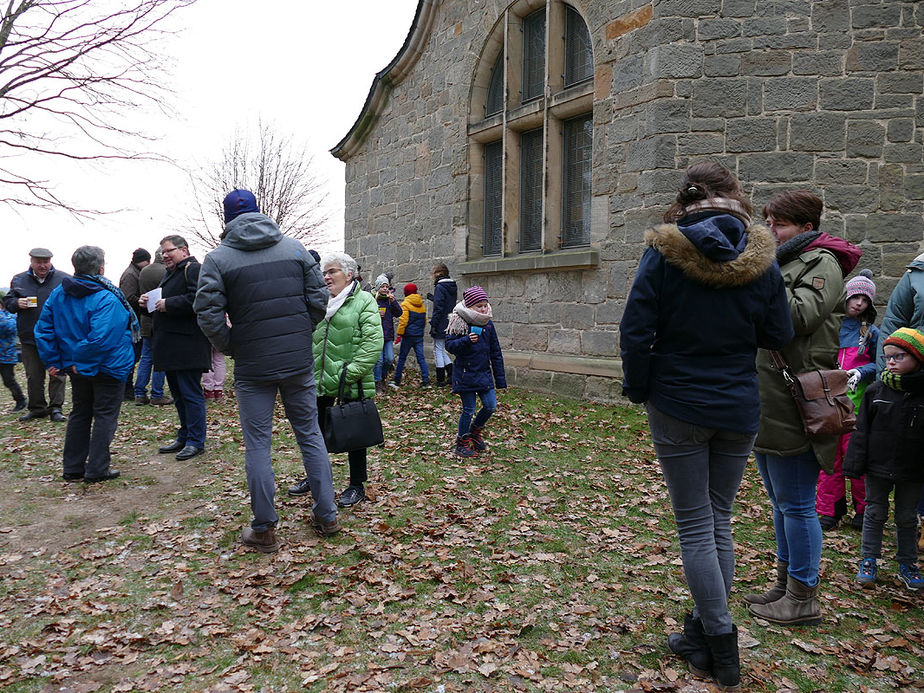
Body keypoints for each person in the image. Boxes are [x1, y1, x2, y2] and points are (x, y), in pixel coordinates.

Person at [620, 162, 792, 690]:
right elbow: (779, 330)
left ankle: (721, 643)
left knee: (698, 524)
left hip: (679, 404)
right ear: (736, 196)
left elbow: (635, 328)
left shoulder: (664, 252)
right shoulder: (761, 259)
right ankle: (701, 632)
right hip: (738, 404)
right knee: (718, 519)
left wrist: (640, 386)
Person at [195, 189, 339, 550]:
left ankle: (265, 529)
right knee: (310, 434)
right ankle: (327, 515)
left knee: (258, 444)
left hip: (253, 365)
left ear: (226, 219)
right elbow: (320, 299)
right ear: (259, 213)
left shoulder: (218, 258)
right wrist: (299, 332)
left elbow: (208, 314)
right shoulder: (294, 248)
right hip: (296, 362)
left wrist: (233, 346)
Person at [747, 190, 860, 627]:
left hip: (798, 399)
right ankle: (784, 585)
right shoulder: (784, 262)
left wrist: (757, 277)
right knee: (779, 502)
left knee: (797, 504)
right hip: (768, 395)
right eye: (768, 222)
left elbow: (799, 317)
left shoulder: (822, 262)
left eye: (779, 224)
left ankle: (803, 597)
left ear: (806, 227)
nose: (770, 231)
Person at [34, 246, 138, 483]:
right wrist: (76, 362)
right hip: (106, 367)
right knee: (103, 416)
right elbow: (100, 339)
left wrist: (59, 362)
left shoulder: (58, 294)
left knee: (81, 413)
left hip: (77, 366)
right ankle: (97, 468)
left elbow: (44, 330)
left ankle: (73, 467)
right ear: (101, 268)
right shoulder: (107, 297)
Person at [289, 251, 383, 509]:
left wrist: (349, 373)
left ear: (349, 274)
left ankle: (356, 485)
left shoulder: (364, 300)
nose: (326, 276)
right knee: (314, 432)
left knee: (354, 435)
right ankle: (315, 476)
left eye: (332, 271)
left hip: (348, 381)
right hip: (317, 380)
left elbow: (373, 342)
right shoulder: (320, 301)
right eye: (324, 272)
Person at [845, 327, 924, 591]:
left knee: (906, 516)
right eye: (888, 356)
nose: (890, 361)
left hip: (913, 469)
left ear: (918, 358)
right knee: (874, 512)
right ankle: (868, 559)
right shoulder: (875, 391)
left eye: (899, 356)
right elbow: (861, 429)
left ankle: (908, 564)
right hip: (878, 466)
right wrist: (855, 463)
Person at [816, 269, 879, 531]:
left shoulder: (871, 333)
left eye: (865, 301)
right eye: (855, 298)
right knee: (830, 459)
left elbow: (880, 363)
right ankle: (829, 510)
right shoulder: (829, 326)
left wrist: (860, 371)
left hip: (857, 405)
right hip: (829, 404)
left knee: (856, 457)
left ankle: (864, 511)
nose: (859, 304)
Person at [140, 235, 210, 461]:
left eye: (169, 250)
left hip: (188, 344)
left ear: (184, 250)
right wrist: (146, 304)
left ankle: (196, 441)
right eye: (163, 252)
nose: (165, 255)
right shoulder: (169, 274)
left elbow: (198, 300)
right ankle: (185, 435)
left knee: (190, 394)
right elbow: (161, 306)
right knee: (178, 395)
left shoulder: (194, 269)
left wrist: (169, 304)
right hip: (170, 344)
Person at [875, 251, 924, 552]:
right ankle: (917, 520)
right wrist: (888, 376)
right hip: (913, 379)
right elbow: (893, 321)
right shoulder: (916, 274)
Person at [3, 248, 69, 422]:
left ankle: (56, 408)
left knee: (58, 374)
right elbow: (8, 302)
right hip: (29, 336)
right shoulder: (19, 280)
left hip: (56, 337)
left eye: (45, 262)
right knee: (33, 375)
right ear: (31, 261)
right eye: (39, 262)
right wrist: (17, 302)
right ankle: (37, 408)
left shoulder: (64, 279)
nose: (43, 266)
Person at [446, 286, 507, 458]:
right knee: (469, 409)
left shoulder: (488, 324)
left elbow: (496, 352)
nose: (483, 309)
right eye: (479, 306)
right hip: (465, 374)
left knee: (490, 406)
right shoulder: (459, 321)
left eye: (485, 305)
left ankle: (475, 431)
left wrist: (500, 379)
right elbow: (449, 346)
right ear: (470, 306)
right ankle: (462, 442)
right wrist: (466, 340)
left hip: (483, 374)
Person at [134, 250, 171, 406]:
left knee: (146, 357)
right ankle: (157, 394)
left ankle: (139, 393)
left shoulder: (144, 271)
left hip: (145, 319)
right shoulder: (166, 272)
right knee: (160, 357)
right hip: (160, 319)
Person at [118, 248, 150, 400]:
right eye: (147, 261)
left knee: (135, 356)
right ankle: (126, 389)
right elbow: (127, 297)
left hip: (134, 321)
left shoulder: (134, 272)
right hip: (131, 323)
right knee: (132, 356)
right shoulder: (131, 275)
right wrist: (141, 301)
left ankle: (127, 388)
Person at [390, 282, 430, 388]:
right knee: (421, 358)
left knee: (402, 357)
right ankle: (426, 381)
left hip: (408, 336)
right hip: (418, 336)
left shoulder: (405, 304)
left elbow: (403, 321)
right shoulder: (421, 304)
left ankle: (396, 380)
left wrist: (399, 333)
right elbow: (424, 321)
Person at [428, 263, 457, 387]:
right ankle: (451, 374)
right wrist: (434, 299)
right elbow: (447, 303)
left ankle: (440, 379)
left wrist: (434, 324)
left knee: (437, 349)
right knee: (442, 348)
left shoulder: (440, 287)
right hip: (449, 320)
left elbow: (439, 308)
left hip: (441, 322)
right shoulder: (451, 285)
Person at [372, 274, 402, 394]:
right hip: (377, 334)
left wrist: (393, 302)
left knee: (389, 359)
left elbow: (399, 313)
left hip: (388, 335)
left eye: (387, 287)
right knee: (378, 360)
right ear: (378, 287)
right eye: (382, 286)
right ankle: (377, 382)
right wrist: (376, 313)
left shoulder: (390, 301)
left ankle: (383, 377)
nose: (385, 289)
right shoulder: (374, 299)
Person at [0, 302, 26, 412]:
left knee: (8, 380)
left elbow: (8, 327)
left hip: (6, 355)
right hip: (6, 354)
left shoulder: (9, 316)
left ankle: (21, 401)